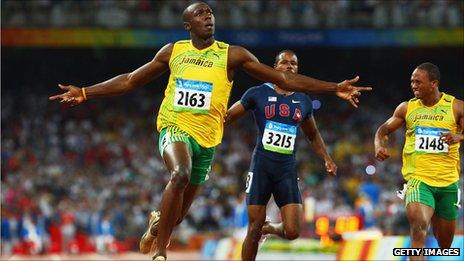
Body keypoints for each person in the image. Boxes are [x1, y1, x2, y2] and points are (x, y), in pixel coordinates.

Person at [49, 2, 370, 260]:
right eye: (200, 14)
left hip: (208, 138)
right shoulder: (172, 51)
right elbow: (132, 79)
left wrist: (333, 88)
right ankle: (161, 251)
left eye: (211, 13)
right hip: (174, 126)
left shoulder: (233, 55)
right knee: (179, 174)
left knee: (177, 214)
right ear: (188, 25)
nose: (208, 17)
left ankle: (159, 223)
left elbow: (284, 80)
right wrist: (87, 91)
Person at [224, 50, 337, 261]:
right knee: (253, 228)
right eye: (284, 63)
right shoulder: (257, 93)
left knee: (292, 231)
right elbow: (228, 117)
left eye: (293, 64)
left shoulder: (303, 101)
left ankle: (270, 228)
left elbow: (312, 134)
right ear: (275, 67)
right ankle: (260, 230)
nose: (289, 67)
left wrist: (327, 158)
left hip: (286, 169)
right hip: (261, 167)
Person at [374, 62, 463, 260]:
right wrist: (379, 145)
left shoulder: (455, 106)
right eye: (412, 81)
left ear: (434, 83)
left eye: (418, 82)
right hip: (419, 180)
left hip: (448, 182)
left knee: (445, 243)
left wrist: (459, 137)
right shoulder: (407, 108)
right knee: (419, 227)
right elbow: (383, 130)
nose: (413, 85)